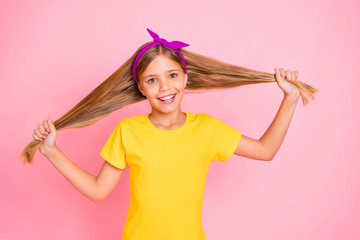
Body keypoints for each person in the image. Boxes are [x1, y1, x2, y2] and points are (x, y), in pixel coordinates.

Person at [27, 29, 316, 240]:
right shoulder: (128, 131)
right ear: (141, 88)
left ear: (185, 77)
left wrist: (289, 99)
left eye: (172, 75)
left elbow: (265, 150)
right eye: (152, 80)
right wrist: (51, 151)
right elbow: (97, 191)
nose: (165, 87)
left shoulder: (207, 129)